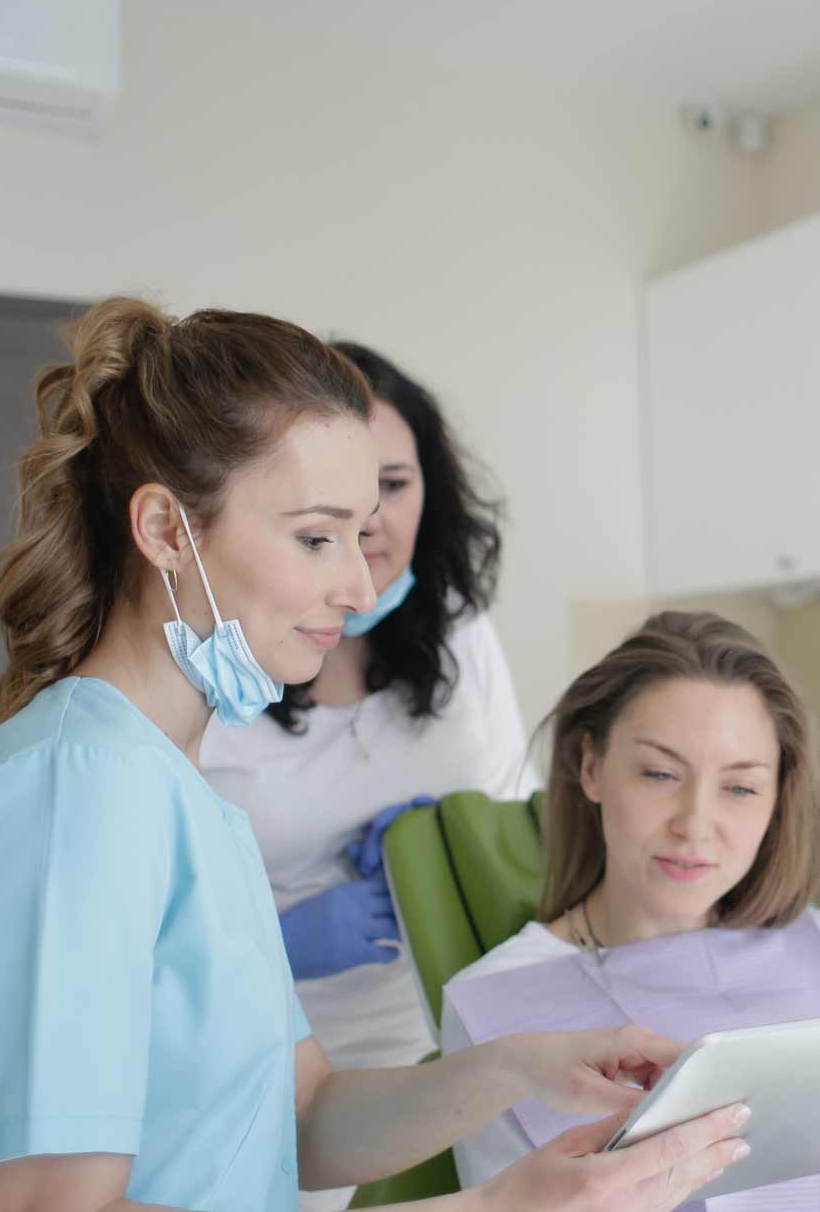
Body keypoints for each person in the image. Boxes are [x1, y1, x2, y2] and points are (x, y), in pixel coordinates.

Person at [0, 300, 749, 1212]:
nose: (361, 581)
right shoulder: (69, 798)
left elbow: (302, 1115)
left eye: (362, 529)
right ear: (169, 531)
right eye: (316, 537)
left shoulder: (183, 797)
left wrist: (527, 1064)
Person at [439, 611, 820, 1209]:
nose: (695, 824)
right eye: (659, 773)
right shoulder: (497, 1003)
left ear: (779, 796)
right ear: (591, 767)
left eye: (741, 787)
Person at [200, 344, 526, 1210]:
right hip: (279, 1057)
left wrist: (456, 833)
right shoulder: (220, 667)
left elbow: (515, 809)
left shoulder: (461, 633)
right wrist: (285, 939)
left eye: (393, 483)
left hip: (450, 1035)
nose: (367, 519)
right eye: (333, 503)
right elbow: (160, 925)